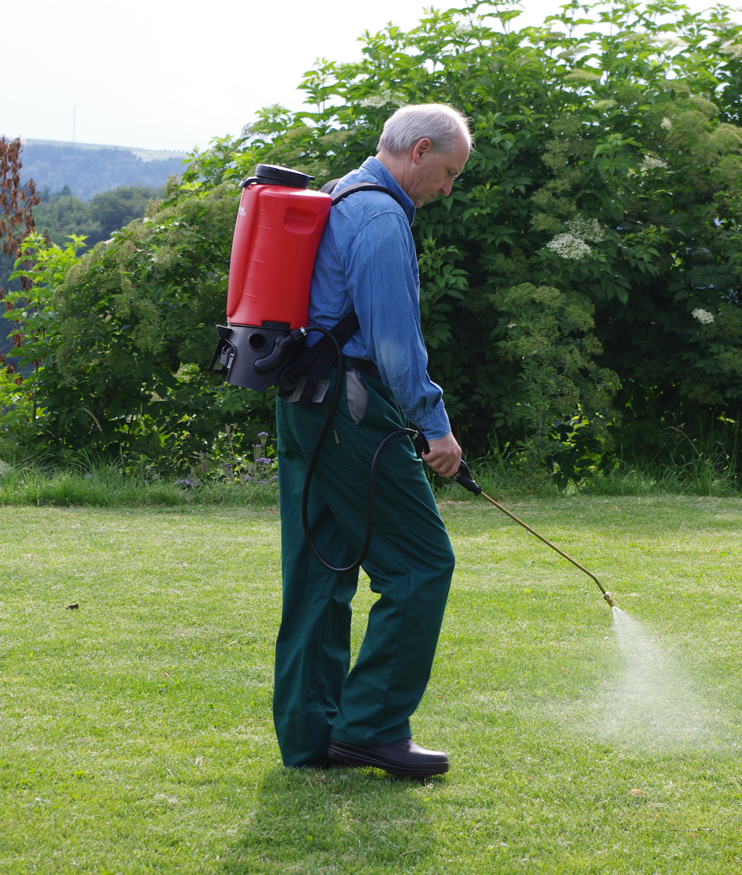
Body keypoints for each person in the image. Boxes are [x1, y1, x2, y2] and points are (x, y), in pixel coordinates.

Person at [272, 104, 473, 777]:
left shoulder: (338, 193)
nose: (449, 189)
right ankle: (374, 727)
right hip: (351, 409)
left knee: (319, 570)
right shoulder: (382, 218)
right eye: (449, 173)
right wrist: (435, 426)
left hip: (303, 405)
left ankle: (311, 736)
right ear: (419, 151)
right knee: (420, 561)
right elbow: (393, 342)